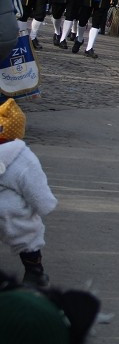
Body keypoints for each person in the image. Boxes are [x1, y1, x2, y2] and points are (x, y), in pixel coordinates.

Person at [0, 98, 57, 287]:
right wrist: (45, 205)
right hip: (8, 209)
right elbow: (35, 187)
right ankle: (34, 271)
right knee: (28, 233)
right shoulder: (23, 157)